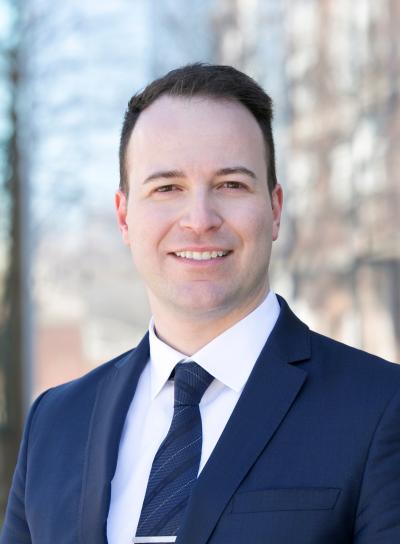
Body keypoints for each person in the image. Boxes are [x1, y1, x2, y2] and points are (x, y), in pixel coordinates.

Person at [1, 63, 400, 544]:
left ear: (275, 209)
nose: (199, 219)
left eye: (231, 184)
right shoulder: (54, 424)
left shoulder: (382, 407)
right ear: (124, 217)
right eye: (167, 188)